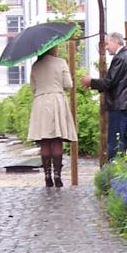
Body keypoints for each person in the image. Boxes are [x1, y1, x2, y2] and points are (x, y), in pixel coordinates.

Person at [82, 32, 127, 161]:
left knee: (115, 142)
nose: (106, 47)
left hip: (120, 105)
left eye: (107, 44)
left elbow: (109, 82)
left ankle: (114, 173)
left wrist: (91, 81)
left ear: (116, 42)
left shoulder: (120, 58)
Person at [27, 46, 77, 188]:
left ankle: (47, 175)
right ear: (53, 48)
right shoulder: (60, 62)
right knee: (56, 139)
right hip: (56, 101)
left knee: (44, 141)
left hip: (40, 102)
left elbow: (33, 88)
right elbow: (68, 84)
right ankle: (57, 175)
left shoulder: (35, 66)